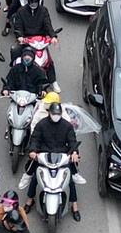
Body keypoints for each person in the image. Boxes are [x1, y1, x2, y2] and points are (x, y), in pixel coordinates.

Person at [24, 93, 82, 221]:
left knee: (70, 180)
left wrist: (74, 153)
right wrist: (33, 150)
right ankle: (29, 200)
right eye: (54, 114)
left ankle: (74, 205)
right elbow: (35, 139)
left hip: (62, 156)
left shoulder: (67, 126)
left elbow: (72, 141)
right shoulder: (41, 124)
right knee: (35, 177)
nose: (56, 116)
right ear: (49, 113)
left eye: (58, 114)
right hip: (44, 155)